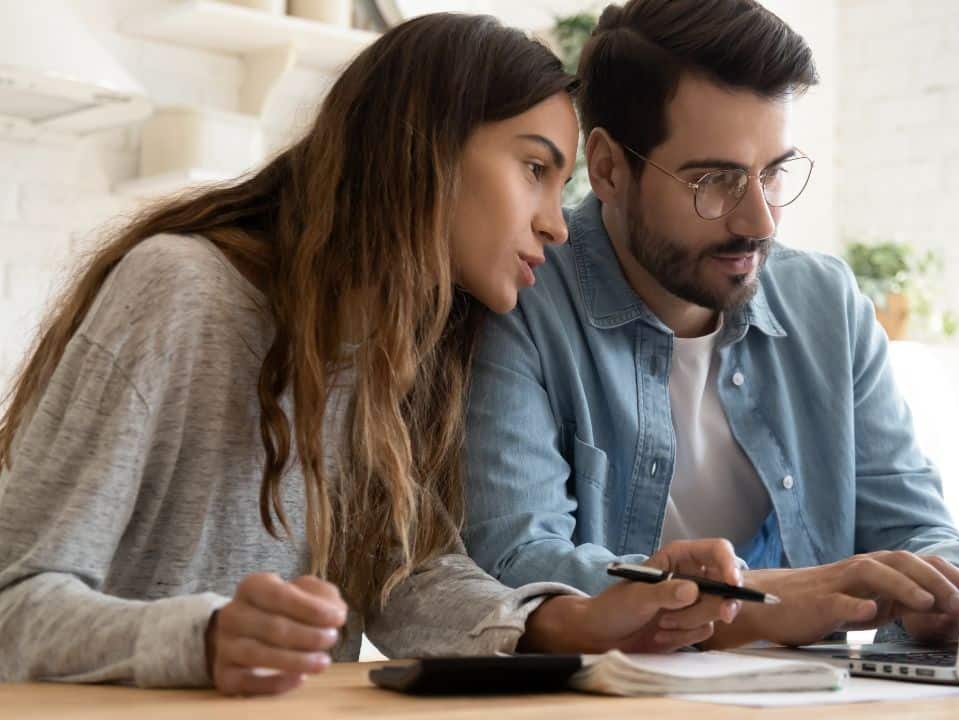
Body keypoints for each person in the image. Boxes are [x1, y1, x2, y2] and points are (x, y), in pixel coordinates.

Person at [0, 13, 741, 696]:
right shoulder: (180, 291)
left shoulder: (412, 345)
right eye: (534, 169)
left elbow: (403, 577)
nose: (555, 223)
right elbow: (13, 603)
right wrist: (205, 636)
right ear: (426, 149)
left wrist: (570, 620)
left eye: (563, 184)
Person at [464, 0, 959, 650]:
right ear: (609, 167)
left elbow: (914, 526)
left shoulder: (827, 304)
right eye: (715, 181)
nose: (760, 222)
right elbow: (513, 564)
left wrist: (943, 593)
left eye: (774, 174)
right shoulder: (521, 299)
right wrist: (756, 606)